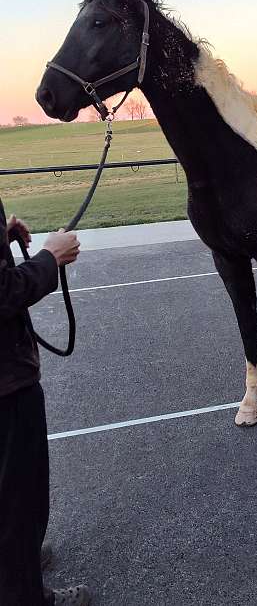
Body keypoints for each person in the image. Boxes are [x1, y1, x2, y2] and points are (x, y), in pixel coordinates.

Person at [0, 199, 91, 606]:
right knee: (19, 496)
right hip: (6, 384)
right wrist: (49, 260)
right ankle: (25, 596)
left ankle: (15, 562)